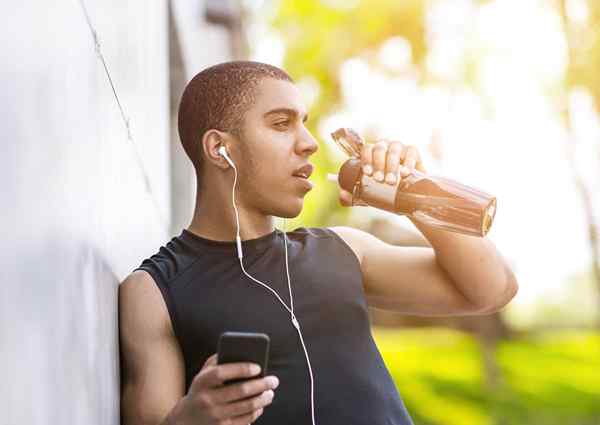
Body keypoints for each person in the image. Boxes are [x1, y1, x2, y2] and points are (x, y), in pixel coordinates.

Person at [119, 61, 518, 425]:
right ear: (220, 149)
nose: (309, 142)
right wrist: (191, 419)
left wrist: (419, 194)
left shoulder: (345, 249)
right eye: (281, 124)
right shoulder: (154, 289)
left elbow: (491, 289)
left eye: (304, 123)